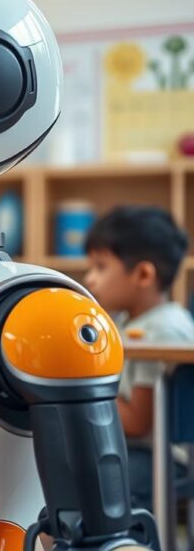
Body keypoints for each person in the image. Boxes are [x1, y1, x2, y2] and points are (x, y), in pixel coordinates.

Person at [84, 206, 194, 511]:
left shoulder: (163, 329)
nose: (90, 279)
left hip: (165, 459)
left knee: (82, 479)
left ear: (143, 274)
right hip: (136, 451)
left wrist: (82, 383)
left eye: (101, 267)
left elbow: (137, 422)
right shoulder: (126, 323)